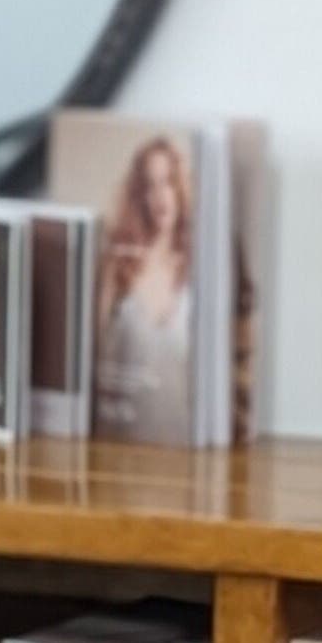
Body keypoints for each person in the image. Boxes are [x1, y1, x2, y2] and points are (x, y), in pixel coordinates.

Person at [97, 136, 194, 443]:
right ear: (139, 196)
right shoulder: (119, 262)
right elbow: (93, 353)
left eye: (167, 182)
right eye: (150, 186)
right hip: (123, 441)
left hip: (186, 440)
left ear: (180, 188)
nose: (160, 196)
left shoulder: (197, 267)